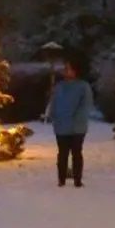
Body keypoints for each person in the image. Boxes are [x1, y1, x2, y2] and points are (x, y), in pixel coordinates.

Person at [49, 52, 93, 187]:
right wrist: (54, 116)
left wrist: (76, 120)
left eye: (68, 68)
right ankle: (61, 179)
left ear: (75, 70)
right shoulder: (59, 87)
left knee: (76, 153)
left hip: (76, 128)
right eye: (65, 68)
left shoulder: (83, 86)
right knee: (62, 154)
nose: (66, 71)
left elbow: (85, 106)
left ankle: (77, 180)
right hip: (61, 127)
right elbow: (54, 103)